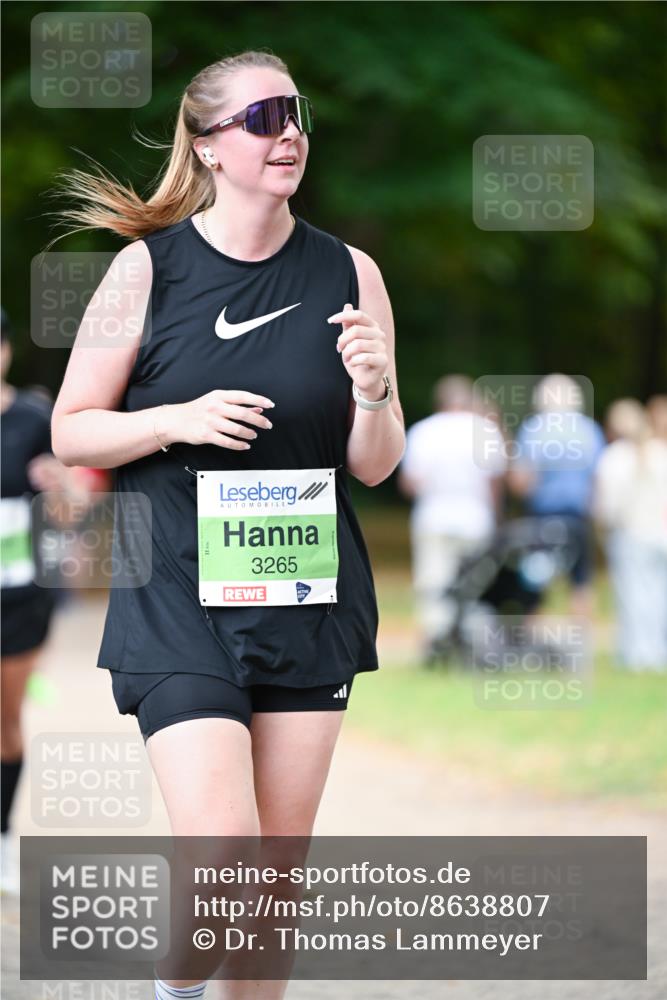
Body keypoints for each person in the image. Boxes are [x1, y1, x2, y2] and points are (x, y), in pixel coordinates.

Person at [50, 50, 405, 999]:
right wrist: (175, 419)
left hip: (305, 597)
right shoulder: (147, 269)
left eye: (296, 113)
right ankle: (174, 988)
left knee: (271, 889)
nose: (288, 131)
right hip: (174, 593)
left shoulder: (349, 270)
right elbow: (72, 424)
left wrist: (373, 393)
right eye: (263, 117)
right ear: (208, 146)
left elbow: (373, 462)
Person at [0, 309, 86, 891]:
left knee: (3, 719)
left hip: (18, 594)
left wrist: (61, 487)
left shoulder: (33, 419)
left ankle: (2, 835)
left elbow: (74, 509)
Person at [397, 375, 506, 662]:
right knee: (476, 582)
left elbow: (410, 482)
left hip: (433, 516)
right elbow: (495, 482)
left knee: (433, 581)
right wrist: (497, 518)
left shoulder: (424, 430)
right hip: (475, 517)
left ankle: (436, 643)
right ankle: (474, 644)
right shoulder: (485, 429)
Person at [508, 373, 606, 617]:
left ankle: (535, 643)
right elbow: (599, 480)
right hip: (578, 519)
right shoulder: (589, 431)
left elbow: (521, 482)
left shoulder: (533, 430)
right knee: (581, 583)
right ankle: (581, 643)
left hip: (542, 517)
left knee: (534, 582)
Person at [594, 398, 667, 670]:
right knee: (658, 595)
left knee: (633, 594)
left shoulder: (615, 457)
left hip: (630, 534)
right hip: (660, 534)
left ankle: (637, 654)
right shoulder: (661, 453)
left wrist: (603, 530)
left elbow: (608, 506)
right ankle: (657, 652)